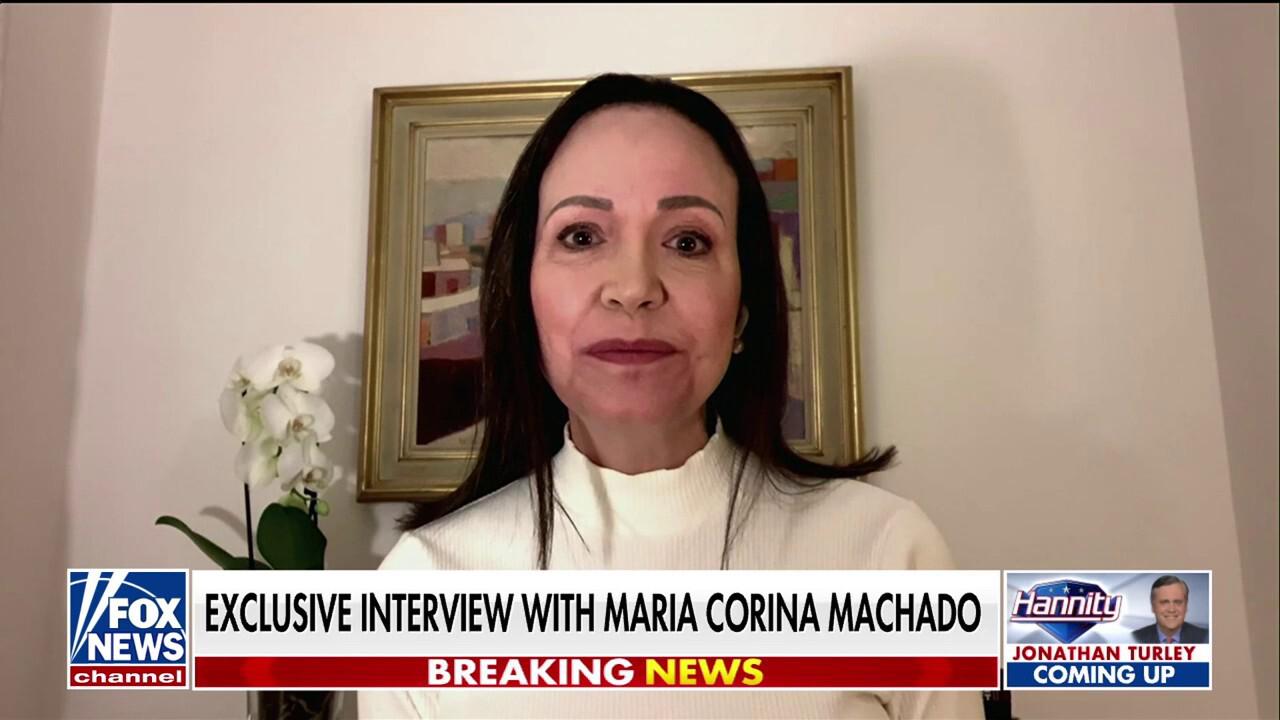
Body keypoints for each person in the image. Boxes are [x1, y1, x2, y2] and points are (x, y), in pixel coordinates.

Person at [359, 73, 982, 719]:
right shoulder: (422, 588)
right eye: (582, 236)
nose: (633, 288)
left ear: (743, 311)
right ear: (522, 299)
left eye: (688, 242)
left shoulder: (887, 557)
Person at [1131, 575, 1209, 644]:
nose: (1171, 609)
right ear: (1153, 607)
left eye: (1178, 602)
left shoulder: (1205, 638)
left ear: (1186, 606)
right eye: (1164, 602)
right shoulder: (1135, 638)